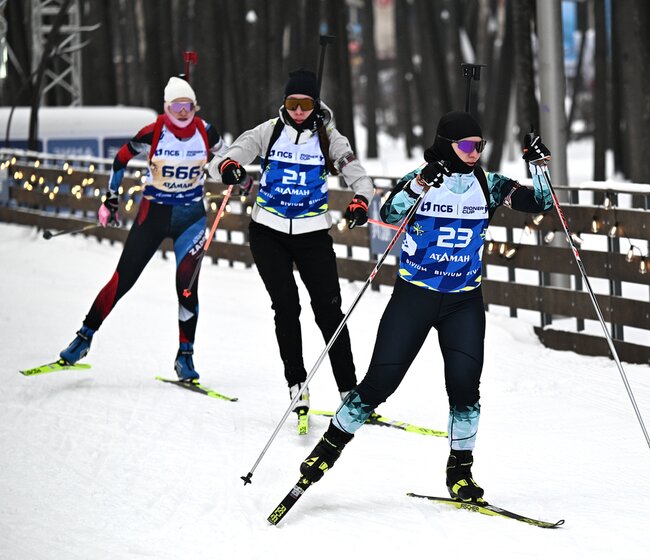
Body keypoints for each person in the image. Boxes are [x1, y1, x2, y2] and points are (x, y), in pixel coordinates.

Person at [296, 111, 553, 503]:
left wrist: (538, 168)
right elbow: (389, 213)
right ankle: (327, 450)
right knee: (379, 384)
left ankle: (460, 472)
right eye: (467, 145)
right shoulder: (424, 178)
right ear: (447, 144)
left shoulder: (489, 183)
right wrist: (417, 185)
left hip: (463, 301)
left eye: (479, 145)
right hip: (415, 297)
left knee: (465, 390)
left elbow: (540, 204)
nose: (474, 152)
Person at [207, 69, 374, 419]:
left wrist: (360, 200)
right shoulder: (269, 132)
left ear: (315, 105)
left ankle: (349, 390)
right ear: (284, 103)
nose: (298, 110)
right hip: (268, 233)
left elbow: (359, 176)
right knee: (287, 307)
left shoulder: (329, 138)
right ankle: (297, 384)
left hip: (313, 236)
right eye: (292, 103)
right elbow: (222, 161)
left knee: (329, 312)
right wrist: (229, 169)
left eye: (305, 104)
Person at [58, 77, 225, 380]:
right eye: (177, 106)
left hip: (191, 219)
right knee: (122, 279)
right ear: (166, 107)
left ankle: (185, 357)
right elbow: (120, 159)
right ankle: (83, 337)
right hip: (153, 216)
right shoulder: (153, 131)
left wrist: (240, 176)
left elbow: (227, 159)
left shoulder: (206, 131)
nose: (183, 112)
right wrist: (111, 199)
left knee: (187, 287)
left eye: (188, 105)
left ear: (195, 107)